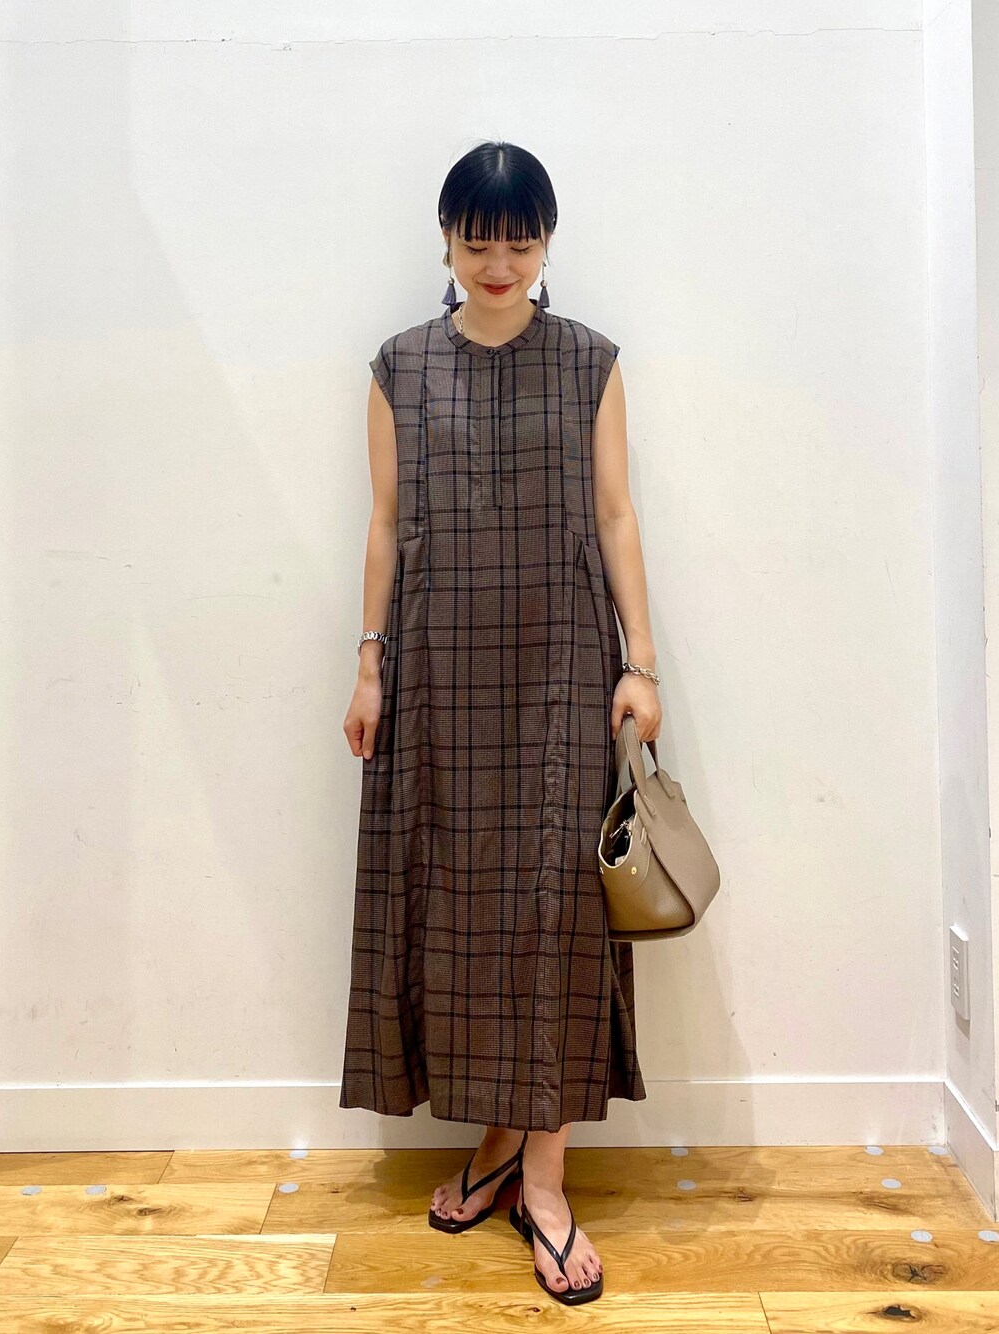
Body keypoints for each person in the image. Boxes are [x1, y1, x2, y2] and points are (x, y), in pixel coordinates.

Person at [340, 141, 661, 1306]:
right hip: (436, 665)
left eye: (520, 242)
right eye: (478, 241)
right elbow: (386, 523)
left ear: (545, 244)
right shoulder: (397, 365)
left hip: (563, 663)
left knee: (555, 913)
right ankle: (492, 1141)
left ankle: (545, 1178)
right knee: (462, 906)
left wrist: (641, 662)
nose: (498, 263)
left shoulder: (589, 361)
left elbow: (615, 515)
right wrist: (369, 664)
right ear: (445, 239)